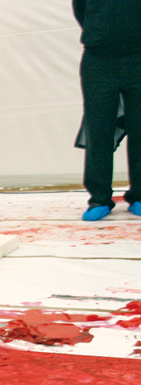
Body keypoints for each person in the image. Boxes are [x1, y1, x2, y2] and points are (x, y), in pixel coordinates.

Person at [73, 0, 141, 222]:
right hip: (99, 59)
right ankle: (99, 198)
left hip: (138, 57)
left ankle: (139, 196)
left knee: (140, 128)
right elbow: (81, 9)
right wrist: (100, 34)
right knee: (98, 128)